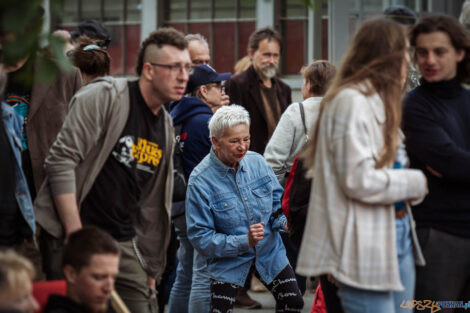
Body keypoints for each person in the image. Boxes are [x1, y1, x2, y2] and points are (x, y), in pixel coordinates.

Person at [35, 27, 190, 313]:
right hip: (75, 232)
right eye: (173, 67)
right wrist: (75, 235)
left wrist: (150, 271)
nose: (183, 76)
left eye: (186, 67)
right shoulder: (104, 97)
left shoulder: (165, 127)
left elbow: (152, 203)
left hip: (124, 242)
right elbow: (60, 161)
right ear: (149, 70)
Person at [296, 18, 428, 313]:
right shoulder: (349, 102)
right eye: (406, 56)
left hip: (396, 233)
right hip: (363, 243)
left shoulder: (380, 102)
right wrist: (415, 182)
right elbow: (355, 180)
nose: (409, 65)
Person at [186, 105, 304, 313]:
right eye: (234, 141)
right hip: (227, 261)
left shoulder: (257, 162)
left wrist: (285, 221)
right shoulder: (199, 181)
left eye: (246, 139)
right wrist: (244, 241)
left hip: (269, 251)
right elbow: (200, 238)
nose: (243, 146)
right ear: (215, 141)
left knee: (293, 302)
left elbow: (277, 205)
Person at [403, 15, 470, 311]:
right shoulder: (414, 106)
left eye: (439, 51)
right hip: (438, 237)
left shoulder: (467, 100)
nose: (429, 60)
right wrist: (453, 166)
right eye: (422, 52)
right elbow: (453, 164)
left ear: (459, 53)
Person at [168, 64, 230, 313]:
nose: (222, 90)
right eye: (217, 86)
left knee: (185, 274)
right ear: (203, 91)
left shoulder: (176, 116)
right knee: (204, 276)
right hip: (203, 208)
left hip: (180, 205)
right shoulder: (206, 122)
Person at [264, 60, 336, 185]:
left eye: (304, 82)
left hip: (298, 191)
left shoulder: (296, 111)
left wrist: (280, 191)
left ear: (309, 85)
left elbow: (273, 161)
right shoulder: (343, 110)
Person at [225, 27, 292, 155]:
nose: (271, 61)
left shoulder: (284, 89)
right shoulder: (237, 84)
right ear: (251, 53)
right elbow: (231, 131)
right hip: (249, 163)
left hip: (280, 164)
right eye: (266, 55)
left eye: (275, 55)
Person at [44, 227, 121, 313]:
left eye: (113, 278)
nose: (109, 289)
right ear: (71, 274)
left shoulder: (106, 307)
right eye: (98, 277)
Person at [383, 5, 420, 91]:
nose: (405, 40)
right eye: (399, 34)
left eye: (409, 34)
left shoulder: (416, 65)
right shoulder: (377, 66)